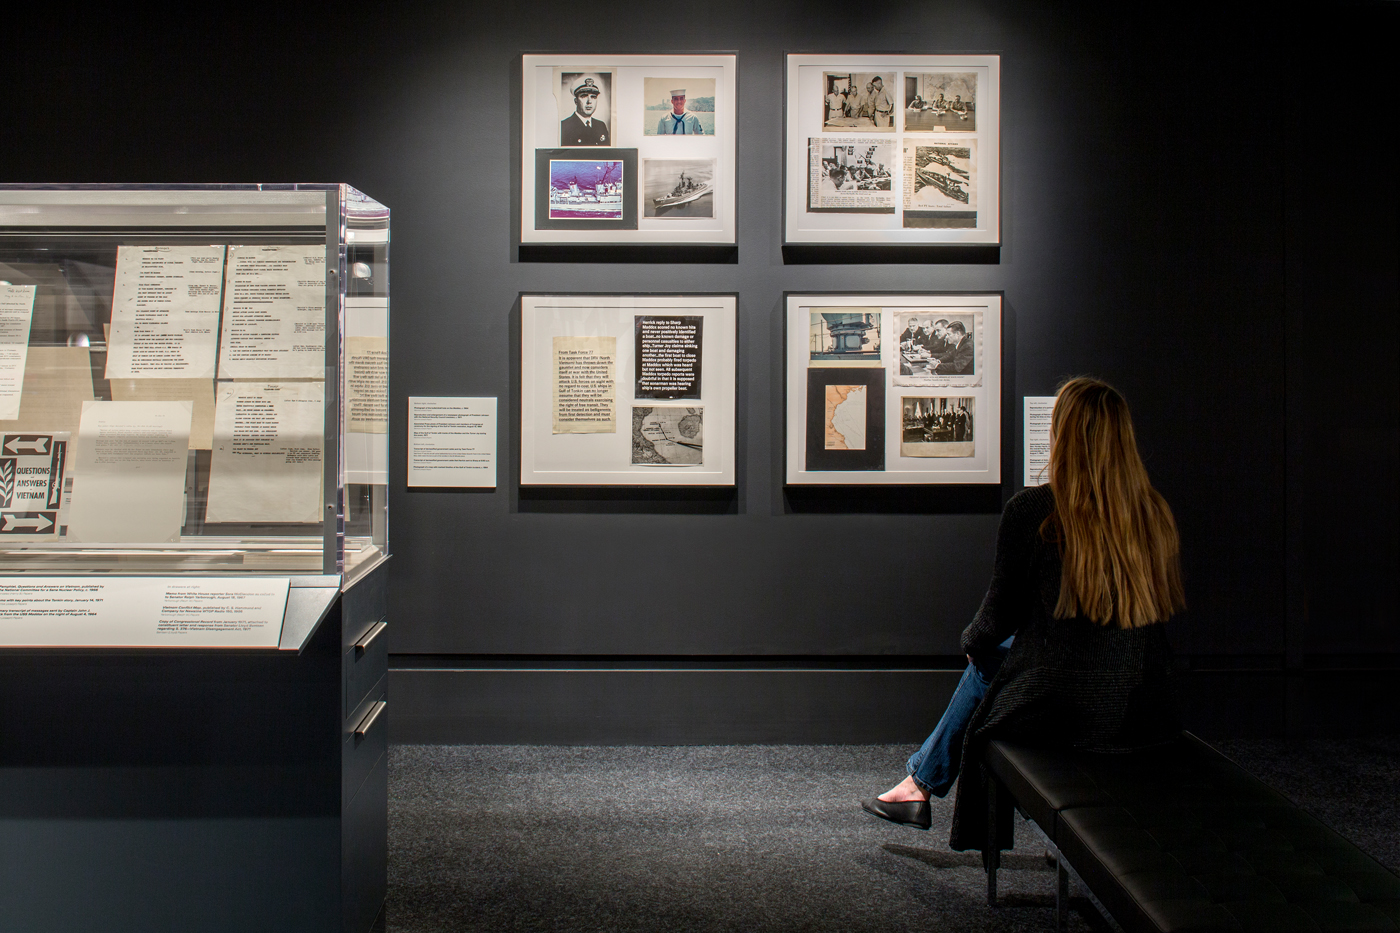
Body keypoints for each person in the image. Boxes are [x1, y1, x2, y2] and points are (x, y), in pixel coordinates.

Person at [861, 377, 1184, 852]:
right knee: (1006, 655)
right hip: (1142, 703)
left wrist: (971, 644)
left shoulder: (1035, 510)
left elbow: (993, 622)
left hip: (1064, 706)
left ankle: (919, 786)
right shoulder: (1152, 513)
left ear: (1064, 436)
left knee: (988, 661)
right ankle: (919, 784)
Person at [561, 77, 609, 146]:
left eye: (593, 97)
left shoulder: (601, 126)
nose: (589, 101)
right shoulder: (564, 127)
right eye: (584, 96)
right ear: (576, 101)